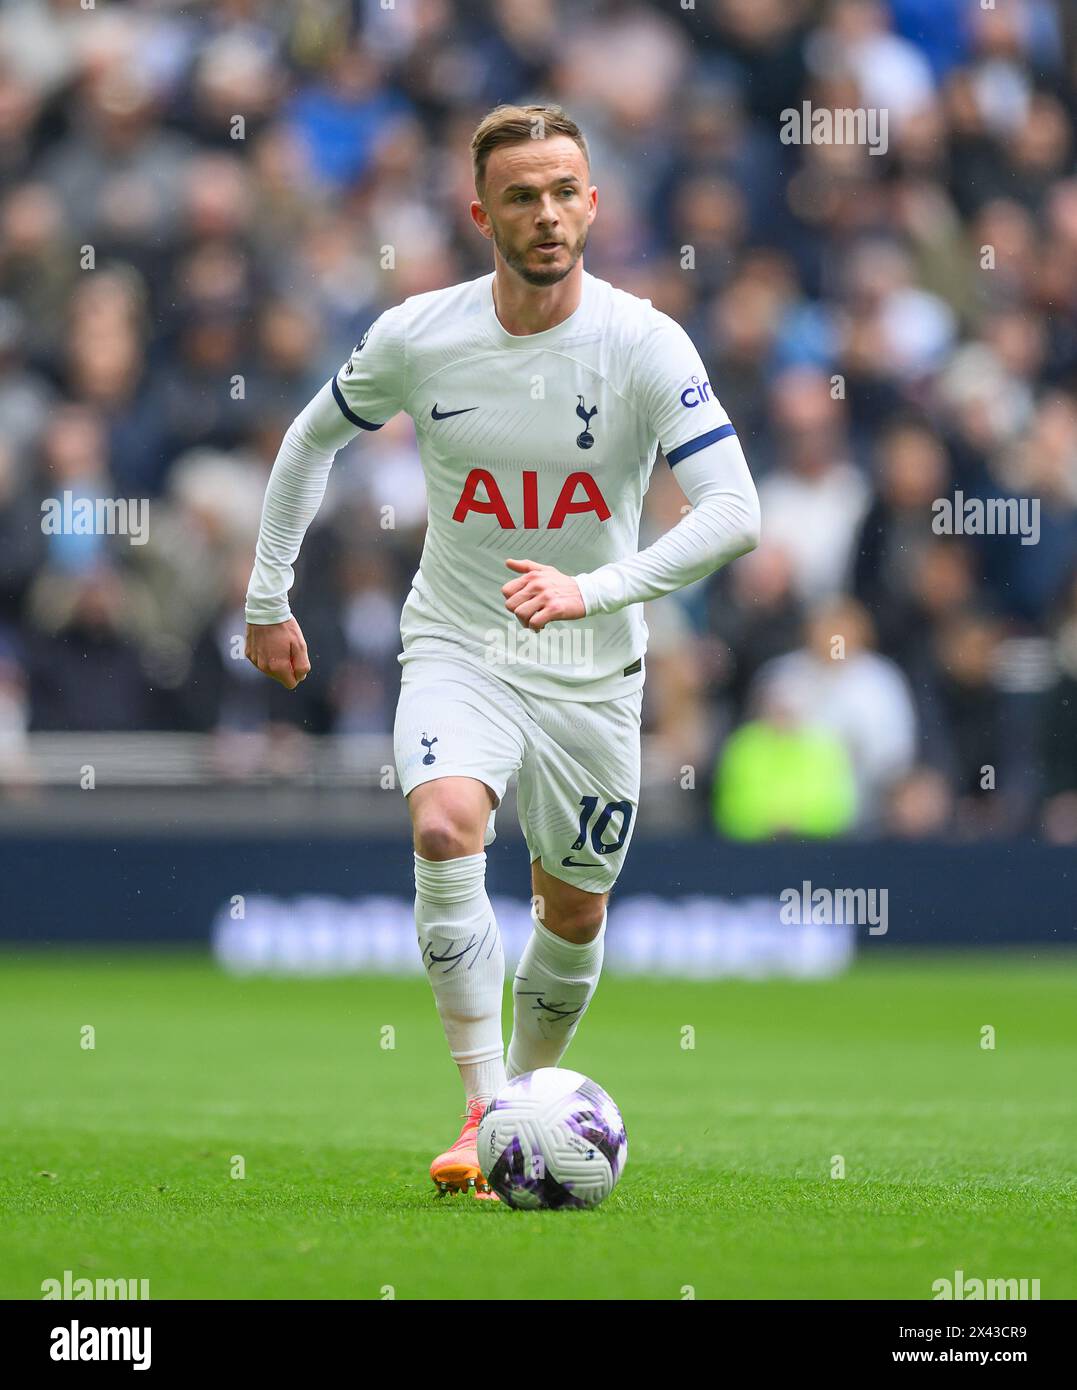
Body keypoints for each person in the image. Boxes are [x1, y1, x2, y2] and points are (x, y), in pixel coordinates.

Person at [243, 103, 760, 1197]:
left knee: (571, 909)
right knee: (443, 821)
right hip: (459, 645)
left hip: (594, 669)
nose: (547, 214)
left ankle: (526, 1103)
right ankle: (482, 1107)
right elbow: (308, 440)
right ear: (481, 213)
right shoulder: (420, 335)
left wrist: (590, 588)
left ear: (594, 204)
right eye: (521, 195)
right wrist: (266, 596)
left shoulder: (642, 341)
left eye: (565, 190)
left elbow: (734, 512)